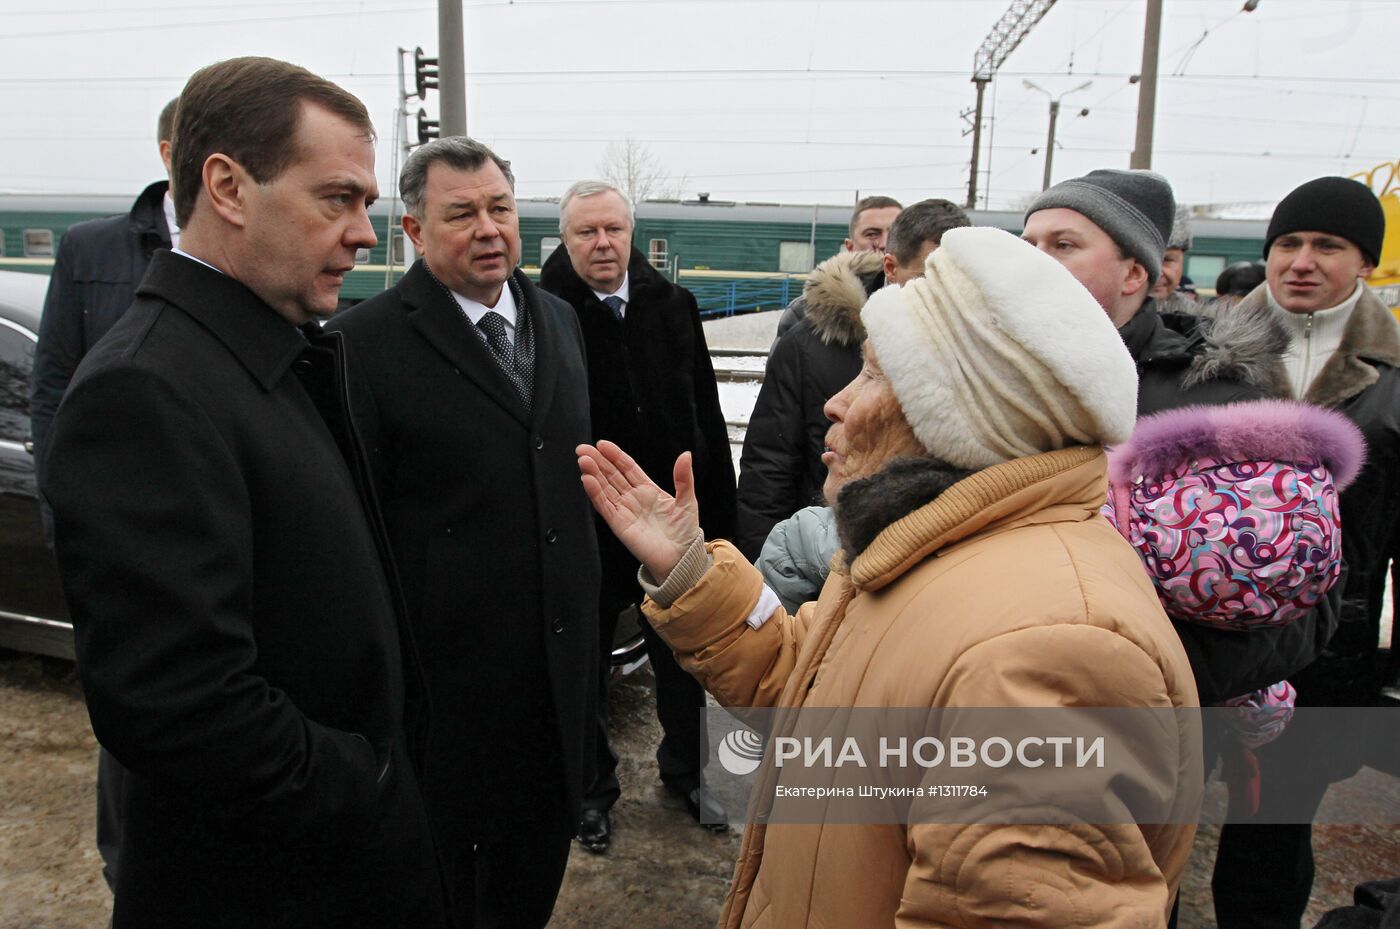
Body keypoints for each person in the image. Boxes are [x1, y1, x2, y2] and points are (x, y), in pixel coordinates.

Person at [577, 226, 1200, 927]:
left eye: (874, 373)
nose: (835, 403)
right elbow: (810, 685)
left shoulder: (1047, 652)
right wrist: (688, 565)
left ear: (962, 416)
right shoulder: (932, 545)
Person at [39, 57, 446, 928]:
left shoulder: (265, 348)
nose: (367, 234)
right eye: (336, 198)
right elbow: (182, 705)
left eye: (367, 204)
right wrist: (369, 781)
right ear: (226, 186)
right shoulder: (145, 389)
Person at [325, 137, 598, 929]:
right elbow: (360, 534)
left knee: (528, 888)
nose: (488, 229)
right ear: (412, 229)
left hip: (554, 691)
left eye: (500, 209)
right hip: (445, 707)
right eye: (462, 214)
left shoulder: (557, 319)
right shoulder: (362, 344)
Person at [1021, 169, 1335, 711]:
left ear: (1134, 274)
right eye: (1026, 245)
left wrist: (1146, 675)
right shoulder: (987, 378)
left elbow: (1310, 601)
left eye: (1063, 245)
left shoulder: (1219, 402)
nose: (1032, 260)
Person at [1211, 176, 1400, 929]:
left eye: (1328, 244)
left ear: (1366, 261)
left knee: (1274, 823)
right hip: (1204, 631)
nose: (1301, 260)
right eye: (1287, 243)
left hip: (1328, 640)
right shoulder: (1206, 355)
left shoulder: (1392, 377)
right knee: (1154, 807)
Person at [537, 180, 734, 854]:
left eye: (614, 229)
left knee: (687, 654)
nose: (602, 243)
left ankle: (691, 772)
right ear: (565, 239)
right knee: (584, 662)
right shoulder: (543, 311)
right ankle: (589, 791)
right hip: (585, 518)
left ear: (631, 232)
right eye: (587, 231)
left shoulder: (671, 304)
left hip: (670, 518)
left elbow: (705, 410)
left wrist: (720, 513)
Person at [27, 94, 179, 896]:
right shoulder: (93, 251)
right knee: (128, 717)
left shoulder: (257, 249)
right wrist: (67, 519)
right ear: (168, 150)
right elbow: (51, 388)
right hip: (114, 533)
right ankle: (133, 872)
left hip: (199, 521)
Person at [734, 199, 969, 561]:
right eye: (873, 234)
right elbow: (770, 463)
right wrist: (763, 564)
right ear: (892, 266)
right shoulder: (808, 343)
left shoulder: (973, 351)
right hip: (824, 556)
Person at [770, 194, 901, 343]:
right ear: (850, 247)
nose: (884, 243)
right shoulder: (802, 316)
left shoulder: (929, 306)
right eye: (872, 234)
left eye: (895, 233)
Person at [1150, 204, 1195, 312]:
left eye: (1168, 260)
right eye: (1146, 259)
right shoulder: (1104, 320)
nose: (1158, 273)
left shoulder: (1197, 321)